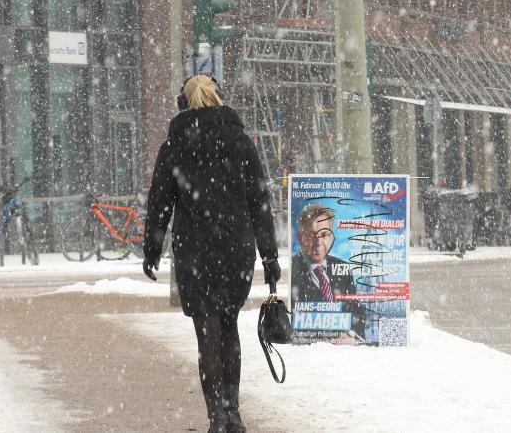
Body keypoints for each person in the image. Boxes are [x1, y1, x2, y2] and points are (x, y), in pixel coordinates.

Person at [142, 74, 279, 433]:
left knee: (207, 333)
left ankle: (216, 417)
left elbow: (160, 204)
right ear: (220, 99)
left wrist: (152, 249)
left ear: (184, 104)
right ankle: (233, 413)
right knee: (230, 325)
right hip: (236, 249)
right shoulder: (241, 142)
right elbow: (259, 202)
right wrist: (269, 257)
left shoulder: (174, 145)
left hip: (195, 251)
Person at [291, 203, 365, 338]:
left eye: (324, 234)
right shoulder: (292, 268)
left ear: (332, 237)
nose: (318, 242)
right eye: (312, 235)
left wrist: (352, 337)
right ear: (301, 237)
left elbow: (356, 314)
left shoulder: (343, 268)